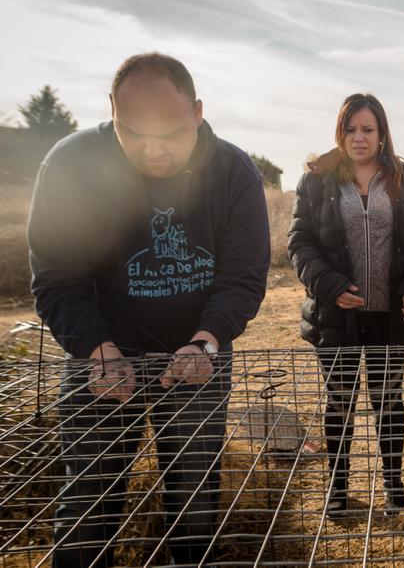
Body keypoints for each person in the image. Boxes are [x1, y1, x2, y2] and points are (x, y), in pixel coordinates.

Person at [27, 52, 270, 567]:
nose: (153, 149)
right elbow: (55, 277)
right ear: (111, 111)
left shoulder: (233, 170)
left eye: (170, 133)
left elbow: (242, 277)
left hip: (197, 355)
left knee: (194, 504)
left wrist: (207, 340)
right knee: (88, 502)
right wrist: (97, 349)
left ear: (198, 113)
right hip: (101, 354)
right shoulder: (71, 164)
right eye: (133, 132)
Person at [288, 93, 404, 518]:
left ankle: (393, 485)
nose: (359, 138)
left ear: (382, 133)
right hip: (337, 316)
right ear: (340, 131)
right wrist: (330, 285)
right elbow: (300, 243)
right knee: (340, 401)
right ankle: (338, 488)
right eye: (351, 129)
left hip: (392, 315)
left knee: (388, 401)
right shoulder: (316, 181)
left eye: (368, 129)